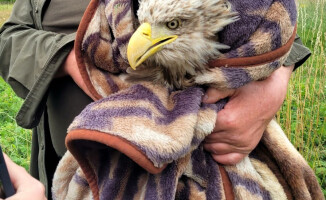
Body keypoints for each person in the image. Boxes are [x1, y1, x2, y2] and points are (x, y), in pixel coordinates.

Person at [0, 0, 311, 199]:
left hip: (207, 169)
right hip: (74, 170)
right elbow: (9, 38)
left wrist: (274, 82)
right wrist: (76, 55)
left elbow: (265, 17)